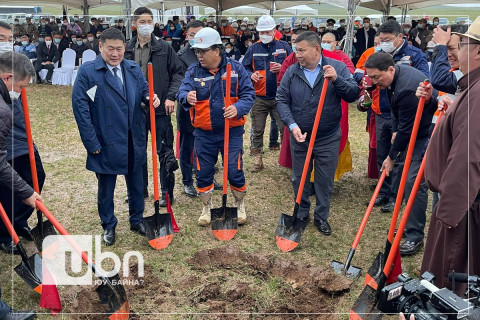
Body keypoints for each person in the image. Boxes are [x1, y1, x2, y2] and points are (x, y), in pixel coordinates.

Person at [72, 27, 160, 246]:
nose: (115, 54)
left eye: (119, 49)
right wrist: (91, 142)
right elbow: (81, 110)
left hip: (133, 137)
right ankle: (109, 225)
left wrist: (152, 98)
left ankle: (137, 219)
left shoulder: (132, 68)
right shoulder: (88, 72)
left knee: (137, 183)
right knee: (106, 188)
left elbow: (144, 91)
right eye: (110, 48)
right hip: (105, 140)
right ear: (100, 47)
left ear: (124, 49)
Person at [419, 16, 480, 294]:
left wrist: (448, 215)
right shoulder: (471, 89)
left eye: (462, 44)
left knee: (453, 279)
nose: (457, 51)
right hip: (466, 203)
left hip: (464, 208)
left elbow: (468, 156)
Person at [276, 31, 359, 235]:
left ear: (317, 49)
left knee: (324, 180)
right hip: (301, 136)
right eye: (296, 50)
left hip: (327, 137)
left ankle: (321, 216)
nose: (298, 55)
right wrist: (292, 125)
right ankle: (302, 212)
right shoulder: (293, 71)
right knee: (299, 178)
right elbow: (281, 99)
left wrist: (337, 80)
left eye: (302, 50)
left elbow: (352, 94)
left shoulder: (336, 67)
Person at [177, 27, 255, 226]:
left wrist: (238, 108)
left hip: (232, 131)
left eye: (203, 51)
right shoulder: (193, 71)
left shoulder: (236, 69)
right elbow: (181, 92)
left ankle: (239, 204)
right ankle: (207, 206)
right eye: (197, 51)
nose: (199, 55)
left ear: (217, 51)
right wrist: (186, 96)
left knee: (234, 169)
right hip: (203, 133)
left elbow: (249, 95)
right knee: (203, 172)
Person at [364, 52, 439, 256]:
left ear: (389, 69)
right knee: (405, 179)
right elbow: (396, 113)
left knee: (413, 183)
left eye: (376, 77)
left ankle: (415, 236)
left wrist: (390, 157)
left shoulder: (406, 87)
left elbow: (408, 129)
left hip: (425, 134)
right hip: (411, 130)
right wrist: (395, 130)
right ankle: (408, 223)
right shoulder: (391, 79)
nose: (373, 81)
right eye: (370, 77)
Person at [125, 7, 184, 206]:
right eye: (142, 22)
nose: (146, 25)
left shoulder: (164, 48)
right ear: (134, 24)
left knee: (164, 151)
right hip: (134, 111)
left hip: (160, 110)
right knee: (136, 152)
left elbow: (178, 73)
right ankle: (139, 190)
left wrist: (170, 97)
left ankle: (167, 192)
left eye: (149, 21)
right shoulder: (127, 49)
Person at [0, 50, 43, 254]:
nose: (20, 92)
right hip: (7, 143)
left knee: (37, 177)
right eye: (21, 87)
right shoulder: (3, 110)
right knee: (9, 187)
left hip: (21, 137)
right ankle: (4, 232)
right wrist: (26, 193)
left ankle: (16, 221)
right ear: (8, 77)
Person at [242, 15, 292, 172]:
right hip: (259, 97)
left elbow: (294, 64)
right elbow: (244, 67)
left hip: (280, 97)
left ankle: (288, 159)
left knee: (286, 129)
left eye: (267, 31)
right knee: (257, 130)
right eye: (261, 31)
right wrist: (250, 74)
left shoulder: (284, 46)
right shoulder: (253, 48)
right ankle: (257, 160)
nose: (264, 34)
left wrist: (283, 66)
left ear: (274, 31)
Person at [430, 25, 463, 94]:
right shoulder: (451, 71)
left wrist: (440, 46)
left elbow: (440, 80)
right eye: (445, 49)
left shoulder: (470, 74)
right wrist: (429, 100)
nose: (447, 54)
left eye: (452, 48)